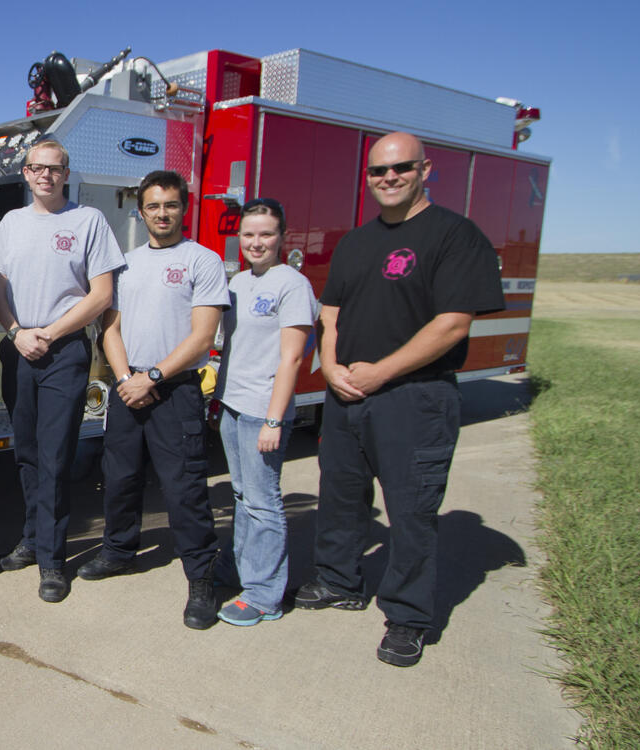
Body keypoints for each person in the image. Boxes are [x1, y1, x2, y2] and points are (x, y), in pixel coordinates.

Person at [297, 131, 504, 667]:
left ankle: (409, 617)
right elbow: (331, 315)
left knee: (411, 513)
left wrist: (378, 374)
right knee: (340, 497)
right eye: (377, 172)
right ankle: (340, 581)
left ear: (425, 170)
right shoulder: (356, 242)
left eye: (400, 169)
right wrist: (336, 369)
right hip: (347, 396)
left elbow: (453, 324)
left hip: (416, 399)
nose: (388, 178)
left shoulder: (455, 236)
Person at [82, 170, 229, 629]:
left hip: (176, 390)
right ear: (140, 210)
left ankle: (202, 579)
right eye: (153, 206)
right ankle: (119, 552)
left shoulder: (202, 261)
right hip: (128, 387)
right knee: (120, 479)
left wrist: (154, 376)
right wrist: (127, 377)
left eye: (170, 205)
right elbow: (110, 328)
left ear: (184, 208)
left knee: (184, 489)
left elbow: (203, 336)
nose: (162, 213)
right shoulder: (125, 264)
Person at [0, 139, 125, 603]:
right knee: (25, 452)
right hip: (19, 349)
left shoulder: (88, 221)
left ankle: (52, 560)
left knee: (54, 456)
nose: (45, 175)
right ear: (25, 174)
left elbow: (101, 295)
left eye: (55, 168)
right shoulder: (10, 224)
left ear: (67, 174)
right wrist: (16, 334)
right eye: (36, 168)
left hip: (63, 352)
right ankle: (31, 538)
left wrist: (47, 333)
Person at [212, 197, 317, 627]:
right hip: (232, 405)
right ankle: (242, 567)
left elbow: (292, 358)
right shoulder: (238, 283)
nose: (257, 242)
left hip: (262, 412)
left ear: (282, 237)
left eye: (266, 234)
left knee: (263, 501)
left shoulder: (291, 284)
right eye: (249, 234)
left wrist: (274, 419)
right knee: (241, 496)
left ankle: (264, 594)